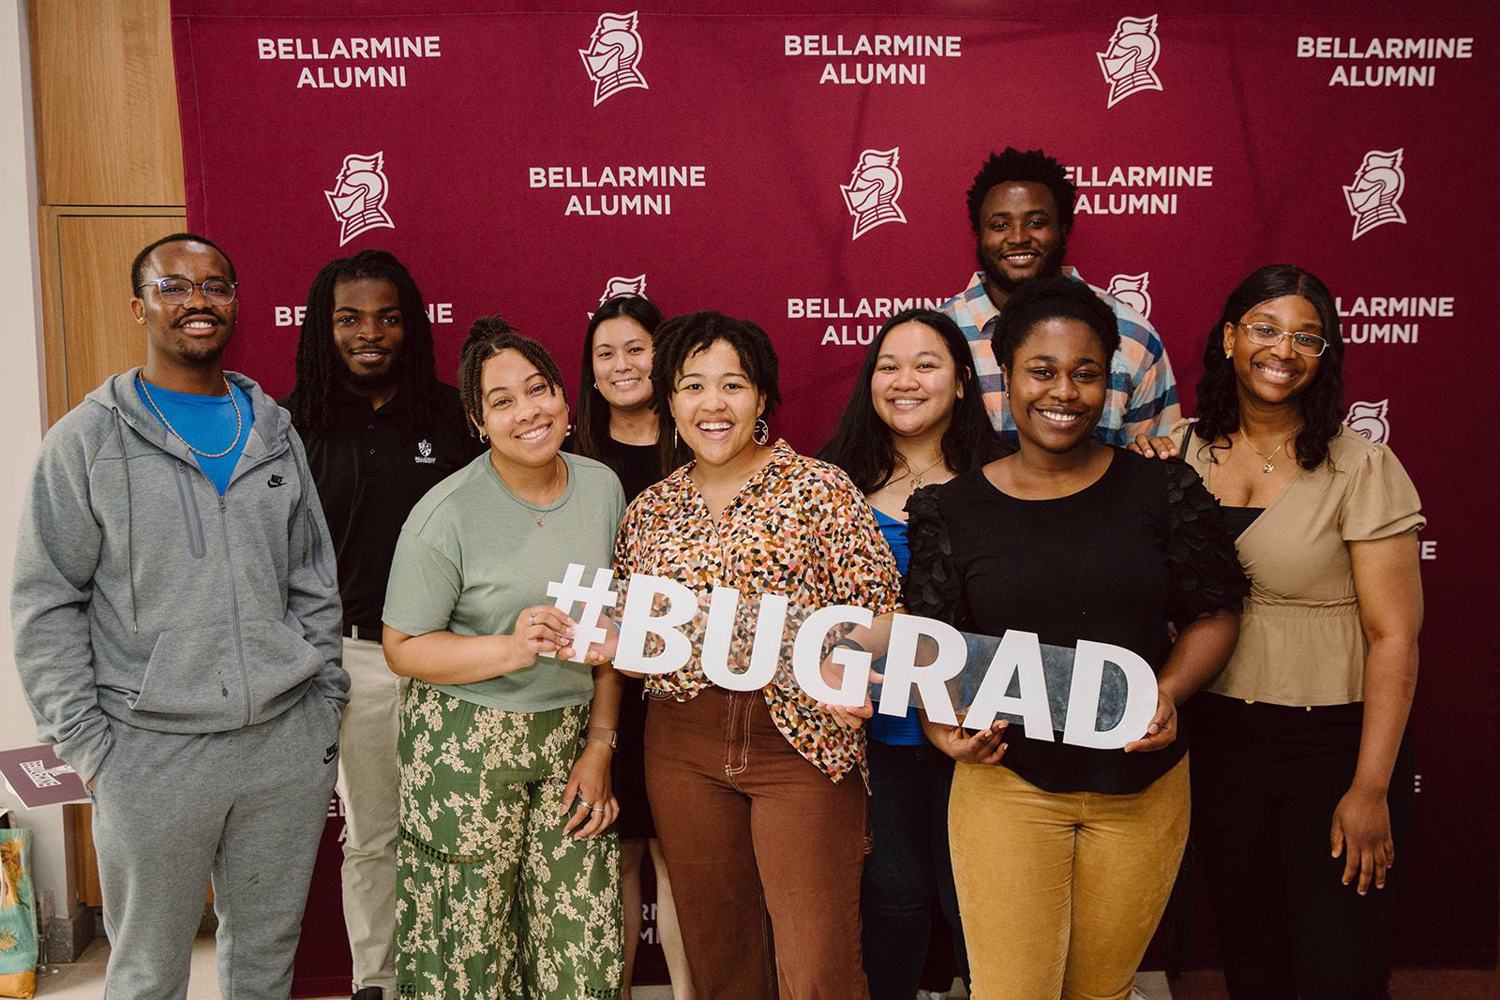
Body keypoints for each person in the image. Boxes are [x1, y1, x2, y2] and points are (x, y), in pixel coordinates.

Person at [12, 233, 346, 1000]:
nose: (197, 300)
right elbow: (45, 601)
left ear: (235, 301)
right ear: (140, 306)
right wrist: (93, 748)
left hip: (283, 745)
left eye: (216, 285)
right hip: (149, 752)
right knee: (147, 972)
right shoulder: (86, 443)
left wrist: (321, 703)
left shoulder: (274, 432)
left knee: (265, 961)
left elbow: (313, 580)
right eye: (174, 286)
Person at [905, 276, 1247, 1000]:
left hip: (1141, 790)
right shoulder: (951, 508)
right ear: (1005, 377)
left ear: (1110, 385)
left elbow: (1216, 612)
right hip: (1007, 786)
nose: (1064, 391)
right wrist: (941, 728)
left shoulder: (1162, 488)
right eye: (1043, 370)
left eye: (1085, 373)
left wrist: (1168, 691)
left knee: (1101, 991)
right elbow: (929, 642)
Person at [1142, 265, 1424, 999]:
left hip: (1332, 743)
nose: (1284, 350)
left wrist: (1371, 787)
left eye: (1307, 337)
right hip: (1220, 740)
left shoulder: (1361, 466)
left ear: (1325, 355)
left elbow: (1394, 636)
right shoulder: (1176, 452)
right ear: (1231, 337)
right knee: (1252, 956)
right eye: (1266, 328)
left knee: (1340, 967)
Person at [612, 311, 902, 1000]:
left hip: (799, 739)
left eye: (732, 385)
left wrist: (844, 658)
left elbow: (885, 612)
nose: (713, 404)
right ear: (670, 402)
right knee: (722, 956)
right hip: (682, 743)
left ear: (762, 397)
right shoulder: (647, 513)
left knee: (819, 964)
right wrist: (603, 643)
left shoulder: (820, 490)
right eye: (692, 386)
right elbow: (634, 650)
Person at [382, 318, 624, 1000]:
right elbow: (404, 647)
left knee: (584, 947)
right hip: (465, 750)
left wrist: (601, 747)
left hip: (571, 741)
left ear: (565, 399)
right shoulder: (446, 514)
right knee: (468, 952)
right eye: (503, 400)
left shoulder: (603, 488)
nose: (529, 412)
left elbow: (610, 630)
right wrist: (510, 647)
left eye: (539, 389)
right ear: (477, 420)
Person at [284, 249, 478, 1000]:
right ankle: (381, 983)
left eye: (388, 318)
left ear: (412, 326)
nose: (370, 333)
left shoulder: (451, 417)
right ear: (323, 327)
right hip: (351, 662)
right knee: (372, 838)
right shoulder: (291, 423)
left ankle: (462, 979)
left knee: (466, 835)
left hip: (458, 658)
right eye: (350, 318)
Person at [819, 308, 1004, 999]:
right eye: (888, 366)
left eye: (926, 364)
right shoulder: (831, 482)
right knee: (892, 897)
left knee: (975, 903)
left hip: (977, 729)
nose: (904, 381)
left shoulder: (1005, 479)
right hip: (875, 735)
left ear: (961, 383)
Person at [568, 295, 694, 1000]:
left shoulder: (701, 442)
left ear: (663, 355)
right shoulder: (572, 457)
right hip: (598, 687)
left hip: (687, 685)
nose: (622, 365)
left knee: (682, 859)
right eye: (605, 353)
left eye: (636, 348)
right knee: (608, 856)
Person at [940, 146, 1180, 446]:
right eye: (1000, 225)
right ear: (979, 234)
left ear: (1063, 230)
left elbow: (1157, 462)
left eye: (1036, 223)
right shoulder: (939, 336)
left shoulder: (1131, 334)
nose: (1017, 237)